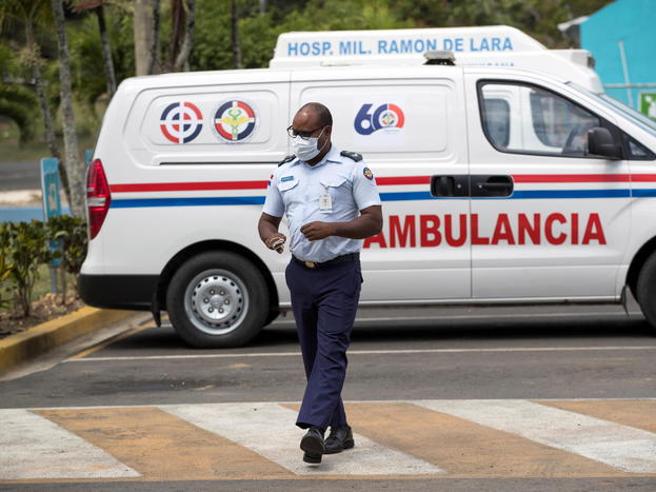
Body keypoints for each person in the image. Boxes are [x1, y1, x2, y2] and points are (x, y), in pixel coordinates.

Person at [257, 102, 383, 465]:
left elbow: (374, 221)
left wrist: (333, 228)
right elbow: (267, 220)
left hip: (339, 273)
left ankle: (314, 427)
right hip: (300, 273)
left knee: (330, 351)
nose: (298, 140)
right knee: (313, 356)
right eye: (294, 133)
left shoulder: (352, 167)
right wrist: (272, 238)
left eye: (306, 134)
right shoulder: (284, 172)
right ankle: (340, 430)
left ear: (325, 133)